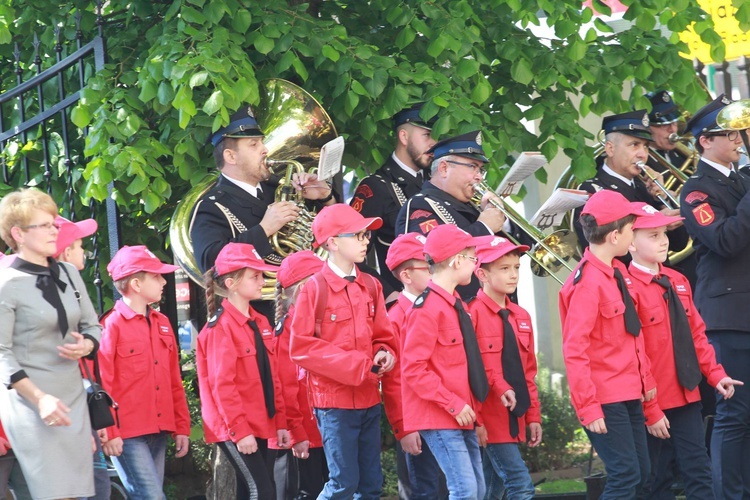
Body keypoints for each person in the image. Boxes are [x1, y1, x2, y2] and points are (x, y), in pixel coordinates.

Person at [626, 202, 742, 498]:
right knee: (655, 479)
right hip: (651, 401)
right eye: (652, 235)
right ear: (630, 242)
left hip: (686, 394)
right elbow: (632, 352)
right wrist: (650, 409)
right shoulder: (627, 288)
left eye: (663, 232)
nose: (663, 240)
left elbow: (696, 335)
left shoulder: (677, 280)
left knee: (698, 472)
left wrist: (716, 375)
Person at [289, 203, 398, 499]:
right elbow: (300, 347)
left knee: (372, 485)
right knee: (343, 483)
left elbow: (383, 336)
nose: (366, 240)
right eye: (359, 235)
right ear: (333, 242)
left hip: (368, 399)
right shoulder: (314, 288)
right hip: (334, 404)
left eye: (366, 235)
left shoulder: (372, 285)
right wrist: (360, 366)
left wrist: (385, 352)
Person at [0, 188, 102, 499]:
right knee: (53, 492)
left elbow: (93, 326)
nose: (53, 230)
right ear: (18, 233)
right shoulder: (6, 283)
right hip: (30, 401)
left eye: (53, 224)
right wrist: (40, 398)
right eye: (44, 225)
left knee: (72, 492)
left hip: (71, 396)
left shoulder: (70, 273)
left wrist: (86, 345)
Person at [559, 189, 656, 499]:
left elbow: (632, 335)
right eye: (631, 230)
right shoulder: (587, 282)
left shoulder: (616, 272)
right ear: (615, 235)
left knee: (641, 473)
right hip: (605, 397)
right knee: (625, 475)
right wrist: (588, 407)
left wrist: (646, 382)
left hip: (628, 390)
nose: (633, 235)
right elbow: (575, 349)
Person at [679, 94, 750, 500]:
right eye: (729, 133)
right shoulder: (696, 191)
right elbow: (724, 240)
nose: (739, 139)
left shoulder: (742, 179)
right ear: (705, 141)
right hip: (728, 313)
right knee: (734, 414)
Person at [190, 104, 336, 284]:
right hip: (261, 306)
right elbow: (210, 263)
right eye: (254, 145)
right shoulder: (212, 207)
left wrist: (326, 198)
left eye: (262, 141)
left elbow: (339, 235)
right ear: (231, 157)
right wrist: (265, 229)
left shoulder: (281, 189)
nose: (265, 149)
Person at [401, 224, 488, 499]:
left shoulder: (455, 303)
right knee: (465, 490)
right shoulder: (427, 309)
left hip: (461, 413)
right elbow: (413, 369)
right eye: (473, 259)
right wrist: (452, 403)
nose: (475, 266)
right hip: (440, 414)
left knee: (477, 489)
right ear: (457, 261)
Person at [196, 242, 289, 499]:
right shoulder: (220, 329)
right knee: (262, 491)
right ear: (231, 283)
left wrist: (280, 423)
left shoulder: (260, 322)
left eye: (262, 275)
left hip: (260, 421)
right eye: (255, 276)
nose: (262, 281)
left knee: (252, 491)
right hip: (234, 426)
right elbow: (222, 385)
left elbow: (273, 378)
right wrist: (240, 430)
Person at [98, 245, 191, 499]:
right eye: (157, 276)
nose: (164, 281)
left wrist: (181, 426)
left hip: (158, 429)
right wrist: (111, 431)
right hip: (127, 433)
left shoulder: (162, 323)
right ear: (136, 284)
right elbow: (103, 383)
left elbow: (174, 379)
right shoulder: (111, 325)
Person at [395, 131, 524, 299]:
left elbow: (521, 248)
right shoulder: (421, 206)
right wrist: (484, 227)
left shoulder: (474, 205)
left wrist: (503, 220)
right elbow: (433, 259)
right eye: (472, 166)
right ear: (444, 168)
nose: (479, 177)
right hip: (457, 306)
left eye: (481, 169)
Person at [574, 110, 695, 284]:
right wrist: (655, 223)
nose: (642, 154)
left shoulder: (645, 188)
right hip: (625, 288)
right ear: (610, 148)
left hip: (660, 284)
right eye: (634, 145)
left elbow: (679, 244)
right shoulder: (594, 190)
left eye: (645, 146)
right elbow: (607, 249)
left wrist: (664, 197)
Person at [470, 236, 541, 500]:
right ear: (482, 274)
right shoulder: (471, 314)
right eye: (504, 268)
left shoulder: (521, 316)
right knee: (520, 485)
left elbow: (528, 372)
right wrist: (477, 421)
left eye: (516, 267)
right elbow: (471, 373)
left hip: (515, 417)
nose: (513, 275)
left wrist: (533, 415)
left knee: (492, 490)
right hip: (489, 418)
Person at [350, 102, 438, 301]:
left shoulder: (436, 182)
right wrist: (389, 294)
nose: (434, 143)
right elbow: (351, 254)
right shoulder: (376, 187)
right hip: (406, 304)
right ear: (404, 137)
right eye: (426, 135)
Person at [382, 232, 445, 499]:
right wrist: (403, 427)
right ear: (406, 276)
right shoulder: (395, 317)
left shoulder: (439, 307)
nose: (435, 271)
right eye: (427, 266)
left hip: (444, 415)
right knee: (423, 490)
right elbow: (393, 379)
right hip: (416, 422)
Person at [54, 216, 111, 500]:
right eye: (79, 246)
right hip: (62, 413)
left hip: (79, 406)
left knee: (98, 487)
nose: (84, 253)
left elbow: (91, 332)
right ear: (65, 253)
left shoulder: (72, 293)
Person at [272, 250, 328, 500]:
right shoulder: (287, 331)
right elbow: (285, 387)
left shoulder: (322, 323)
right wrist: (297, 434)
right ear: (303, 288)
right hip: (307, 436)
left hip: (326, 431)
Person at [646, 90, 689, 171]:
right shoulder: (640, 161)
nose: (673, 129)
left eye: (674, 123)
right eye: (665, 125)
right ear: (647, 127)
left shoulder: (682, 156)